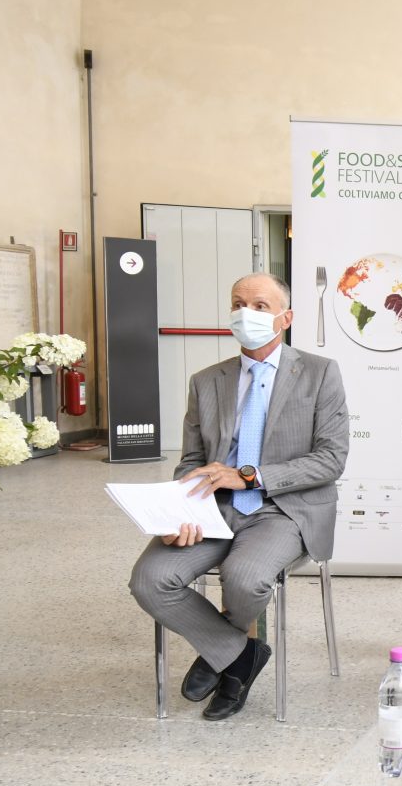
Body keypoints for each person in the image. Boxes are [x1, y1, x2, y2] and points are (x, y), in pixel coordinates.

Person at [129, 273, 349, 720]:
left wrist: (249, 477)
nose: (246, 314)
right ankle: (239, 655)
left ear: (286, 318)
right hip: (213, 508)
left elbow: (331, 460)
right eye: (238, 304)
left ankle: (221, 653)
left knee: (244, 579)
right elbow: (192, 461)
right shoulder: (206, 380)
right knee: (150, 579)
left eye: (260, 306)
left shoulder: (320, 373)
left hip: (284, 509)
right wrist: (179, 512)